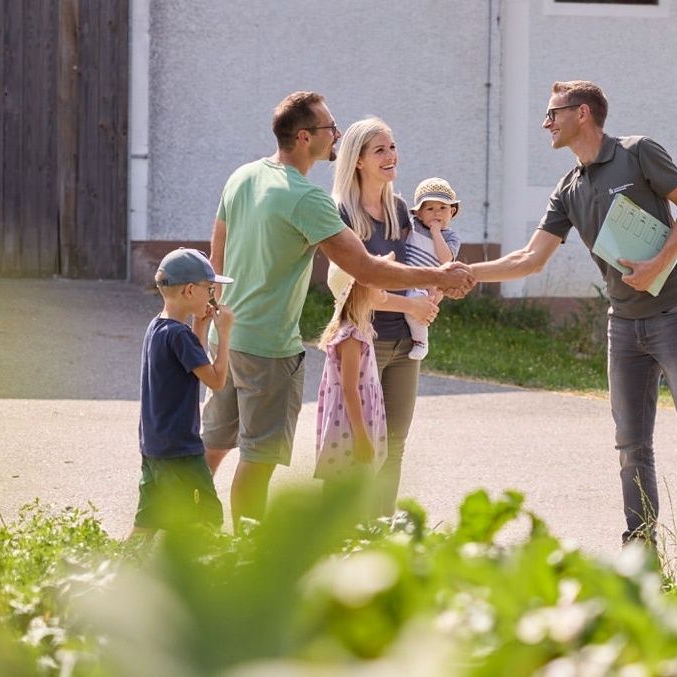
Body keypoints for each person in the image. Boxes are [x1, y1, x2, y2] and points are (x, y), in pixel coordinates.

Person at [471, 80, 677, 565]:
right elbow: (530, 258)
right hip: (622, 326)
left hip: (675, 314)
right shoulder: (568, 188)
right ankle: (641, 553)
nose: (546, 123)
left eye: (552, 113)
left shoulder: (638, 152)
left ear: (582, 113)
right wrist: (465, 273)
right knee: (630, 445)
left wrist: (660, 262)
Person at [202, 93, 474, 531]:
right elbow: (362, 269)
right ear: (306, 137)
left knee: (211, 448)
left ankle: (176, 535)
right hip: (269, 348)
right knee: (258, 457)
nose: (338, 134)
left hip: (227, 336)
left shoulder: (244, 175)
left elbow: (218, 246)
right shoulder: (310, 199)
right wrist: (441, 280)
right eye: (331, 127)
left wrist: (211, 315)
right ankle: (248, 560)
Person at [331, 117, 441, 515]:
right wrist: (412, 305)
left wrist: (431, 292)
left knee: (394, 445)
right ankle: (348, 535)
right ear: (357, 160)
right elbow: (358, 292)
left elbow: (416, 266)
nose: (391, 156)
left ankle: (380, 535)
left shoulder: (398, 209)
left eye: (392, 146)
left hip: (404, 345)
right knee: (360, 446)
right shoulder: (341, 214)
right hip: (363, 343)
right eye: (380, 150)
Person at [130, 248, 234, 539]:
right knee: (205, 520)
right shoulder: (180, 336)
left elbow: (188, 364)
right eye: (209, 289)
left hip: (155, 446)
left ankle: (116, 575)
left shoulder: (160, 327)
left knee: (146, 525)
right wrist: (224, 334)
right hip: (180, 450)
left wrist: (199, 326)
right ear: (190, 290)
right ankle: (188, 579)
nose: (213, 296)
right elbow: (215, 380)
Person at [315, 261, 388, 489]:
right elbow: (349, 388)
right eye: (376, 279)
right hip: (350, 426)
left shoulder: (359, 330)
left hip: (355, 422)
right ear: (358, 289)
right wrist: (362, 436)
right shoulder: (351, 336)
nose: (384, 283)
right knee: (346, 487)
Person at [403, 177, 462, 360]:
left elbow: (446, 260)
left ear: (452, 211)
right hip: (404, 275)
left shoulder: (451, 237)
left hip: (425, 284)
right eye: (430, 208)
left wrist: (436, 233)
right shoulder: (414, 226)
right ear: (418, 214)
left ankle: (421, 341)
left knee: (417, 306)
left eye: (443, 208)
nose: (437, 213)